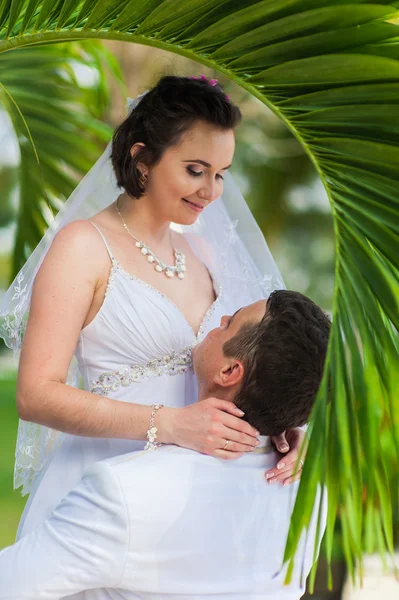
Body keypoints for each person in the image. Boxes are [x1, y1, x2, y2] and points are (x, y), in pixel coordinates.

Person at [0, 75, 305, 541]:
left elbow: (238, 365)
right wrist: (172, 424)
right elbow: (34, 395)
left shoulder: (205, 252)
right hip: (98, 490)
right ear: (142, 159)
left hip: (189, 502)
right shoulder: (84, 246)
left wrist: (278, 428)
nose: (211, 191)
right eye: (196, 170)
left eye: (221, 174)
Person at [0, 290, 331, 599]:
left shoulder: (126, 493)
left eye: (228, 323)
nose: (218, 322)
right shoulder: (311, 494)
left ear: (229, 371)